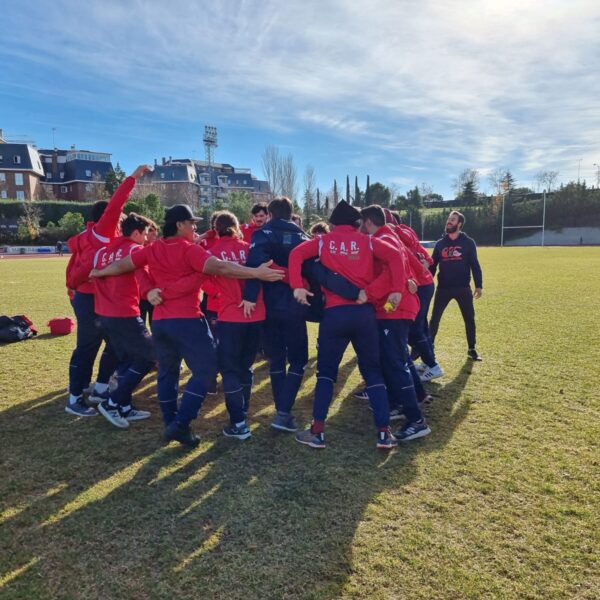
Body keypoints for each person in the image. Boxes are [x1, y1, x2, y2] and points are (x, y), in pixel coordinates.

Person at [90, 204, 284, 449]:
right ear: (179, 225)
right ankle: (181, 423)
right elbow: (222, 268)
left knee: (168, 372)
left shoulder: (152, 249)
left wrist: (102, 272)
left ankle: (172, 424)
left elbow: (126, 265)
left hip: (161, 322)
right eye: (192, 223)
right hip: (188, 321)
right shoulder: (189, 250)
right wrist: (255, 273)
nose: (195, 227)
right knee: (206, 370)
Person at [288, 200, 406, 450]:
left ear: (331, 224)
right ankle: (384, 434)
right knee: (372, 371)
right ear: (357, 223)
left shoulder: (323, 241)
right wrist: (394, 290)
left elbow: (296, 254)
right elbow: (396, 256)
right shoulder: (369, 241)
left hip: (334, 315)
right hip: (364, 314)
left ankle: (317, 432)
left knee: (326, 374)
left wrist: (297, 285)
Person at [64, 164, 151, 417]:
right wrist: (133, 178)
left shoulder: (99, 238)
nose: (121, 219)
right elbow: (116, 204)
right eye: (119, 217)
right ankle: (74, 397)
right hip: (88, 296)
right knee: (88, 347)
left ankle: (101, 389)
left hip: (98, 297)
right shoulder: (102, 233)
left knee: (114, 344)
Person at [360, 205, 431, 441]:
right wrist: (413, 280)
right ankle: (402, 403)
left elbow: (393, 270)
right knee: (396, 359)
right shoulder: (388, 236)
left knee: (395, 362)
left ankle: (416, 420)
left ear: (368, 222)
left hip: (395, 309)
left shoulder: (382, 238)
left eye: (361, 224)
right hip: (396, 307)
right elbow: (411, 266)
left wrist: (366, 294)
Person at [242, 197, 311, 433]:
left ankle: (282, 410)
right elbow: (313, 271)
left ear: (269, 214)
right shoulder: (304, 238)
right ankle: (283, 412)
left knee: (277, 358)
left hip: (268, 306)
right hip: (296, 305)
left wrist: (250, 297)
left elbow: (254, 268)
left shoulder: (262, 234)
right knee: (299, 359)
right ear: (291, 214)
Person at [92, 213, 158, 429]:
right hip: (124, 313)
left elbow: (93, 274)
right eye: (146, 233)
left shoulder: (103, 252)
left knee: (126, 359)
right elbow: (142, 277)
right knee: (149, 356)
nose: (147, 238)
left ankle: (125, 406)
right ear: (136, 233)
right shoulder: (135, 250)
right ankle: (113, 403)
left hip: (104, 314)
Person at [206, 211, 266, 439]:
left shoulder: (211, 254)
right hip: (256, 315)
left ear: (215, 228)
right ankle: (243, 410)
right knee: (246, 366)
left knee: (229, 368)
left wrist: (221, 295)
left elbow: (207, 285)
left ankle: (238, 422)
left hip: (230, 316)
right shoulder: (250, 247)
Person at [429, 210, 483, 361]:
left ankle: (471, 349)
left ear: (459, 224)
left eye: (452, 220)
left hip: (463, 288)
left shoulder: (468, 242)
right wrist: (424, 282)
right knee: (434, 319)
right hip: (443, 288)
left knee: (469, 319)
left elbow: (475, 265)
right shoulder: (440, 244)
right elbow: (432, 267)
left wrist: (479, 285)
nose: (449, 222)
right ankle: (429, 347)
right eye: (448, 219)